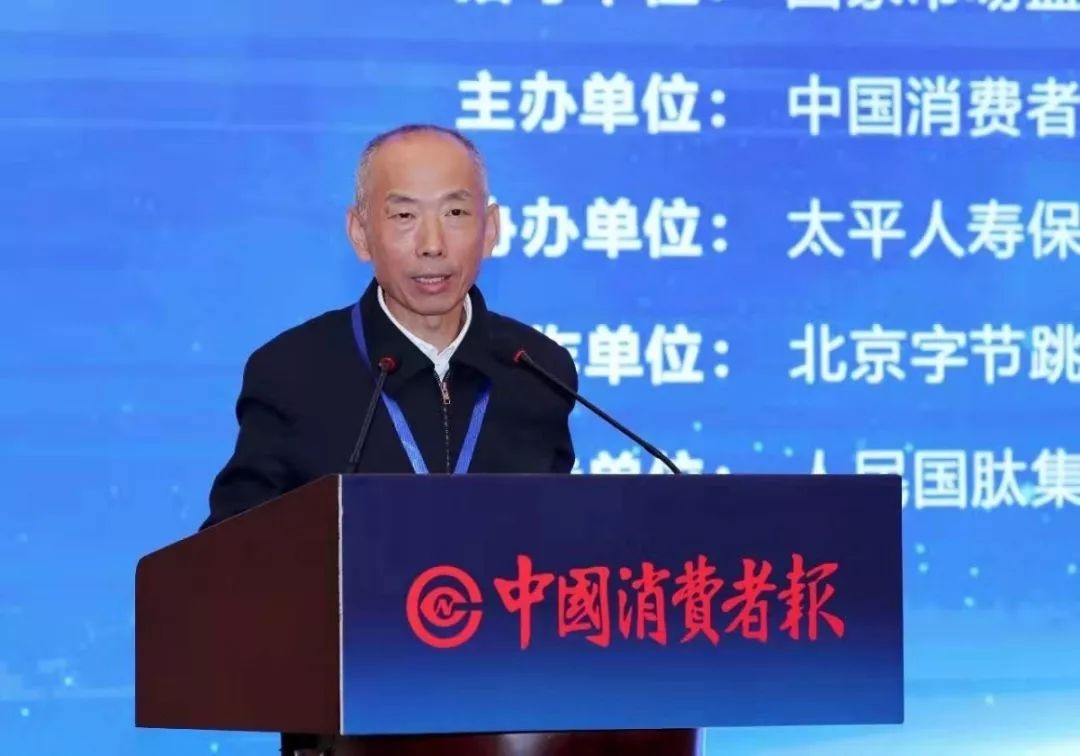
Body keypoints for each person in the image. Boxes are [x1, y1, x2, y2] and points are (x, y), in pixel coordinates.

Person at [203, 124, 696, 756]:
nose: (432, 244)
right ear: (360, 232)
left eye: (456, 213)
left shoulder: (536, 369)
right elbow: (228, 559)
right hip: (350, 733)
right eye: (404, 215)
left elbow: (559, 559)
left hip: (520, 722)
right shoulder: (295, 370)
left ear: (491, 230)